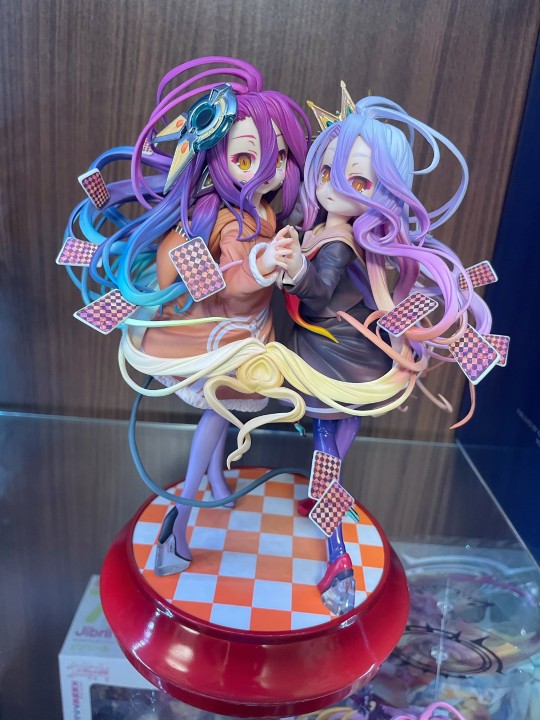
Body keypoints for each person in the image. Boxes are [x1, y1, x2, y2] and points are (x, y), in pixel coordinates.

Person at [64, 57, 310, 575]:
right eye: (246, 158)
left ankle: (215, 483)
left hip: (241, 332)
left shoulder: (260, 212)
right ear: (218, 158)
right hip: (219, 334)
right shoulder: (229, 219)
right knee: (219, 410)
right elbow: (235, 280)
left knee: (222, 409)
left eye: (280, 155)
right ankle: (180, 517)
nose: (267, 169)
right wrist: (267, 261)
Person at [275, 91, 493, 613]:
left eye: (358, 182)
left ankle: (337, 554)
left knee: (325, 444)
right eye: (326, 173)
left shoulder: (339, 241)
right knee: (332, 441)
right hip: (344, 350)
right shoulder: (334, 231)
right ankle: (326, 499)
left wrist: (295, 269)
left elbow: (319, 292)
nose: (334, 187)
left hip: (334, 359)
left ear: (386, 192)